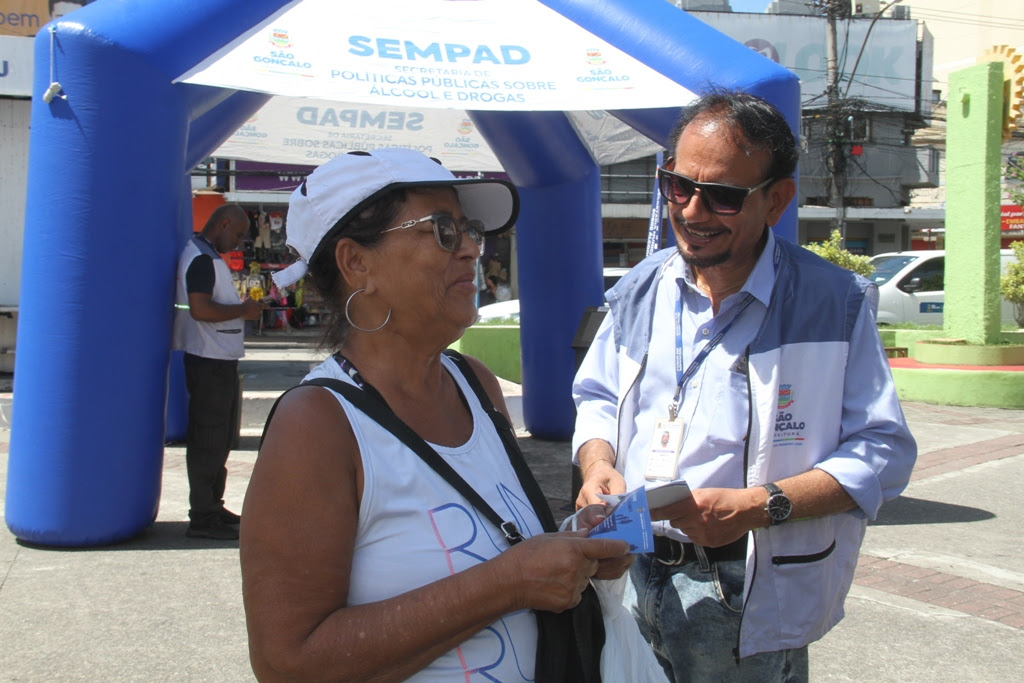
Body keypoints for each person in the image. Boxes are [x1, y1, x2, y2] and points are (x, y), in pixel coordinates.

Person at [241, 148, 632, 681]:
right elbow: (288, 663)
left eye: (470, 228)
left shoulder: (475, 384)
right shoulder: (317, 425)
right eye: (444, 230)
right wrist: (508, 584)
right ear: (357, 263)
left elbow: (488, 535)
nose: (473, 248)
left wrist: (572, 543)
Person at [572, 90, 917, 681]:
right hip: (632, 567)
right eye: (678, 186)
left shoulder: (831, 302)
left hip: (744, 583)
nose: (693, 211)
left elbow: (882, 450)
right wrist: (596, 462)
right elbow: (599, 395)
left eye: (724, 196)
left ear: (777, 199)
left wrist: (761, 505)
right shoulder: (641, 286)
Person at [172, 204, 266, 540]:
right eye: (238, 234)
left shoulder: (204, 254)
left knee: (221, 437)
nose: (238, 242)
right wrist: (244, 310)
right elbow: (200, 308)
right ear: (223, 223)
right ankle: (203, 516)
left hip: (217, 360)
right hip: (208, 360)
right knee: (208, 438)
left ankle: (213, 505)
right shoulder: (201, 258)